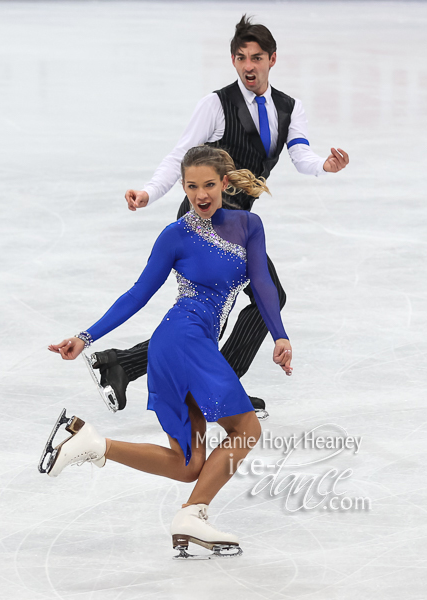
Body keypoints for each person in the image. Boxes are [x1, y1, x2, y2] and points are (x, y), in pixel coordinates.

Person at [41, 146, 293, 558]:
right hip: (182, 340)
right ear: (183, 187)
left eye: (208, 185)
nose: (200, 195)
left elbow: (263, 284)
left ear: (225, 184)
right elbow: (138, 294)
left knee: (189, 463)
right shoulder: (175, 235)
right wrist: (85, 337)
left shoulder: (249, 225)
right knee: (246, 429)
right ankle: (194, 513)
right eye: (191, 186)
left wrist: (280, 335)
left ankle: (91, 443)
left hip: (189, 344)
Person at [92, 15, 348, 415]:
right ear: (233, 61)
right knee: (242, 303)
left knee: (226, 308)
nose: (249, 66)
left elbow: (300, 153)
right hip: (206, 214)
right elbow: (181, 156)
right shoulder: (215, 104)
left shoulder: (288, 108)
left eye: (257, 57)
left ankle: (123, 364)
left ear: (272, 60)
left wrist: (324, 167)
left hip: (240, 222)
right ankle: (216, 386)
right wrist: (149, 192)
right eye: (241, 57)